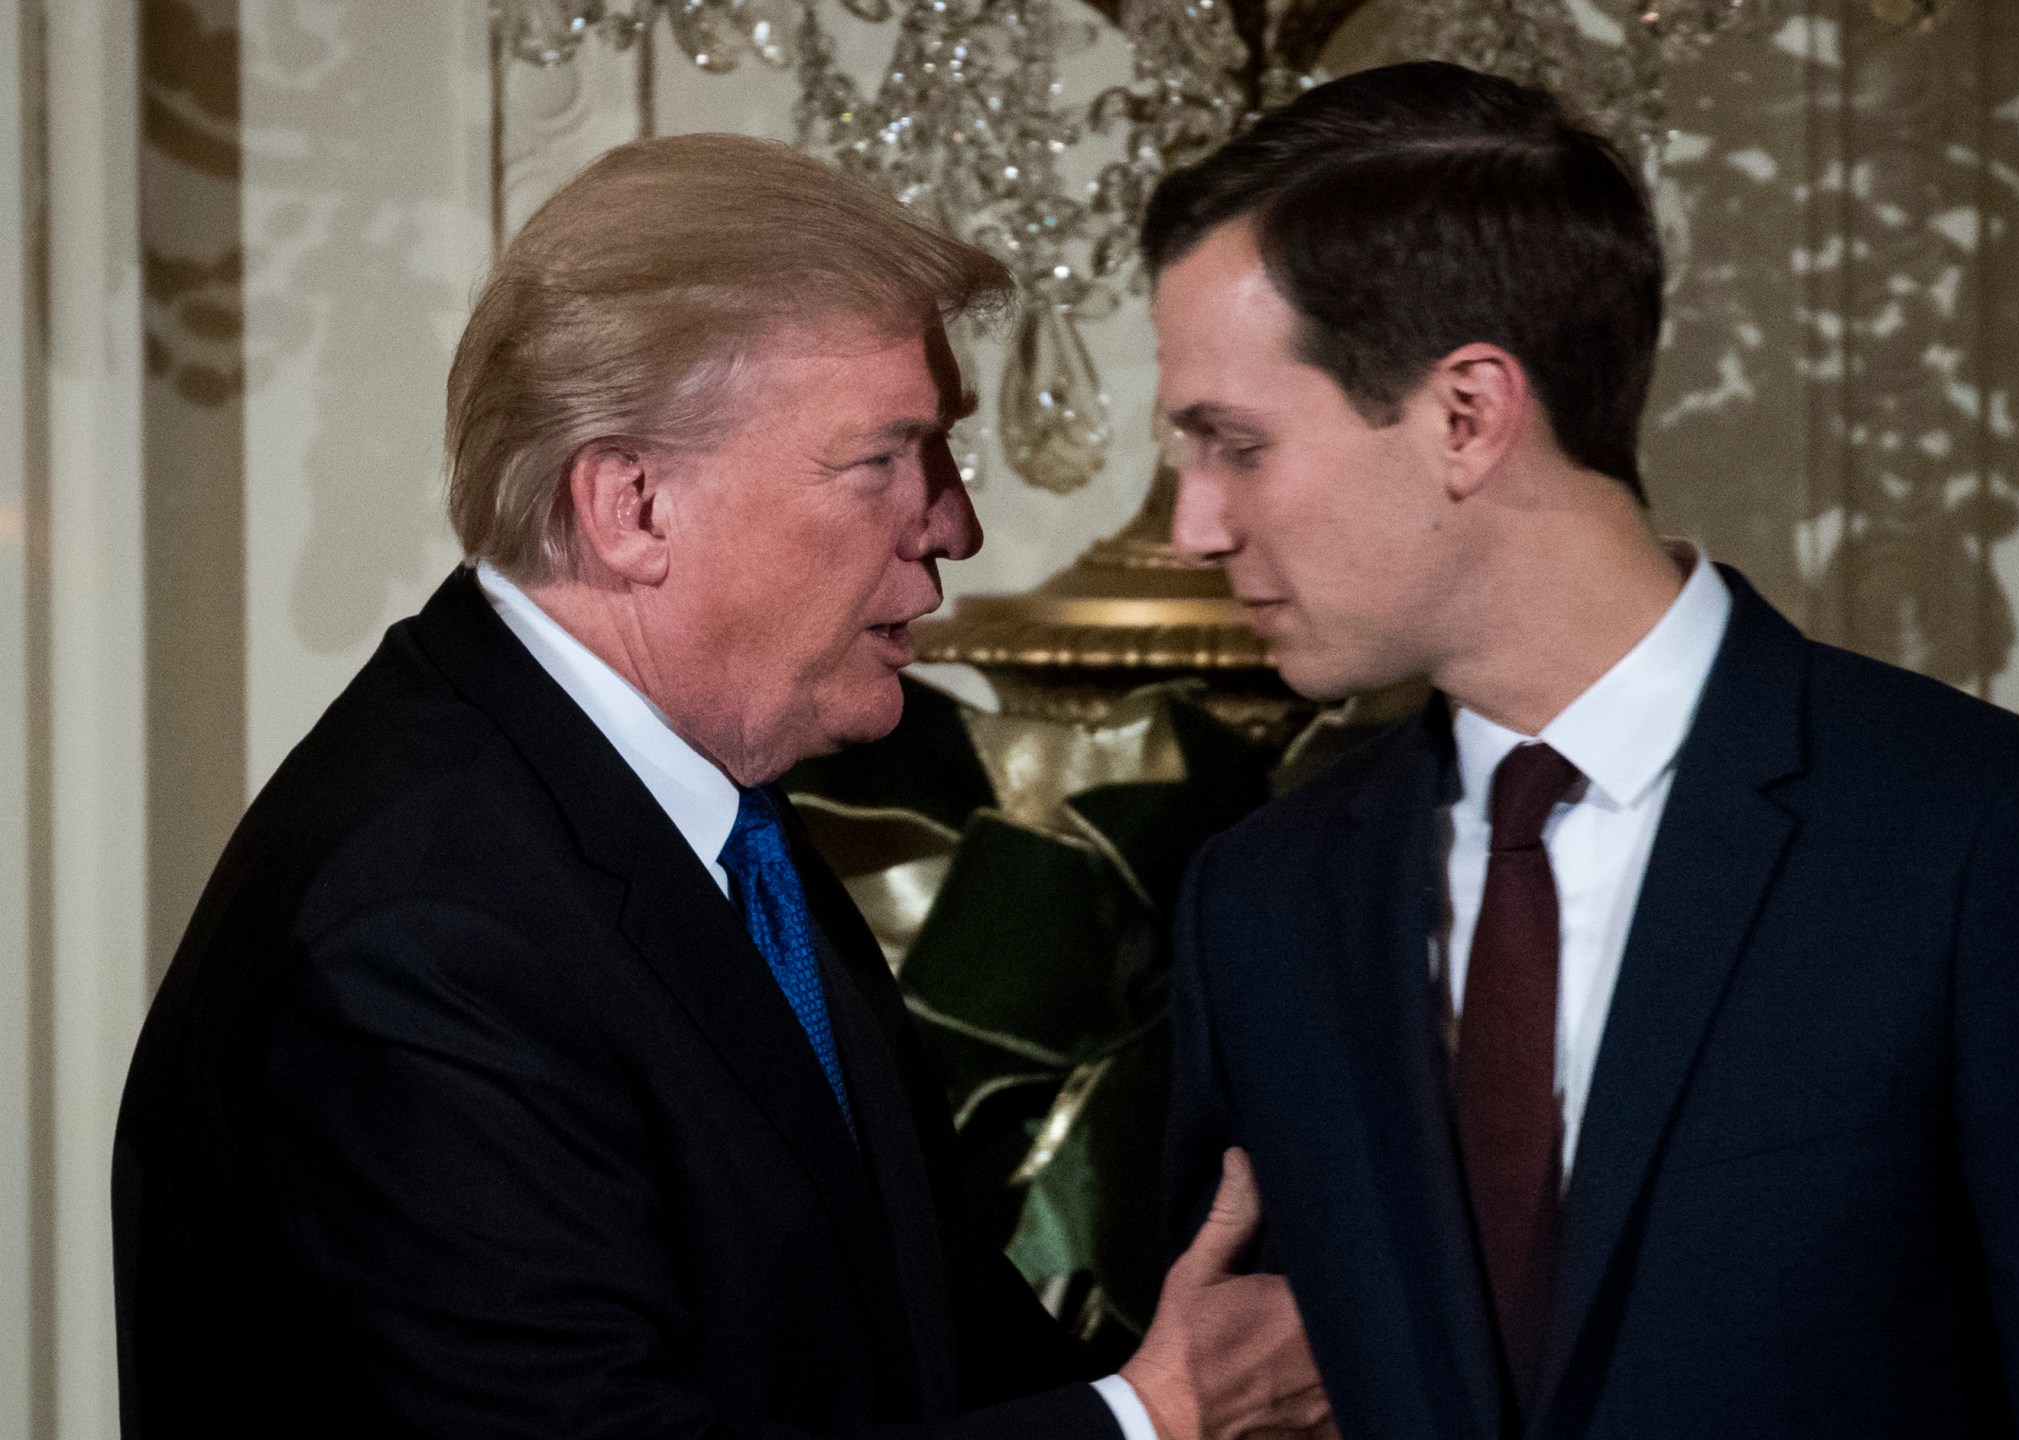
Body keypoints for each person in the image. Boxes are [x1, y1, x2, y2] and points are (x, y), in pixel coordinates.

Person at [113, 132, 1331, 1440]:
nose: (952, 527)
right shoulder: (420, 938)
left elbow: (906, 1351)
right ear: (633, 506)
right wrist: (1151, 1421)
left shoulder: (700, 817)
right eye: (886, 459)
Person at [1145, 61, 2019, 1440]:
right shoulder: (1260, 900)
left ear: (1467, 414)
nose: (1194, 525)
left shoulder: (1990, 843)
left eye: (1234, 444)